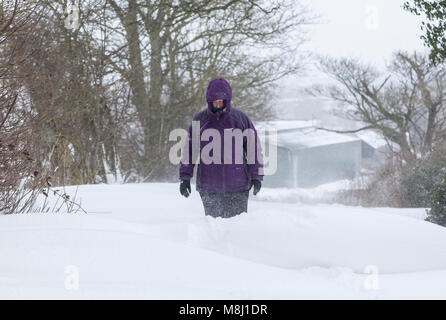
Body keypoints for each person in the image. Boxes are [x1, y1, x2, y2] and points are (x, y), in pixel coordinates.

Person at [179, 77, 264, 218]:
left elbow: (253, 148)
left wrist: (257, 176)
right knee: (214, 227)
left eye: (221, 100)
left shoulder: (240, 119)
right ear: (208, 101)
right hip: (209, 188)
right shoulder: (200, 120)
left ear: (228, 100)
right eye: (214, 100)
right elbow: (190, 150)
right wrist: (185, 177)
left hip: (238, 186)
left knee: (238, 227)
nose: (218, 103)